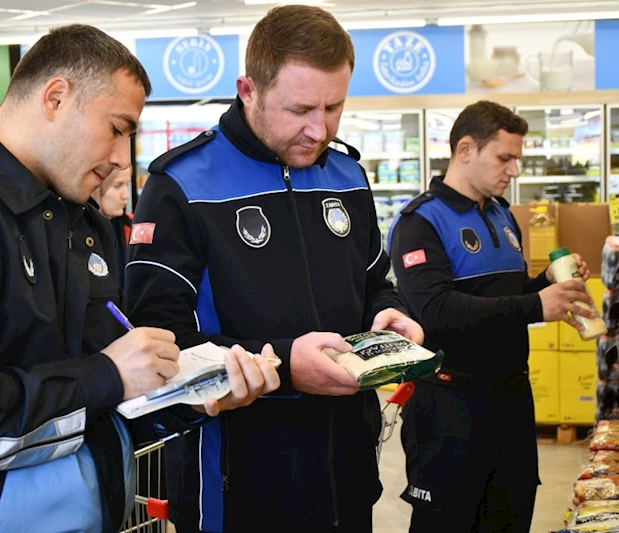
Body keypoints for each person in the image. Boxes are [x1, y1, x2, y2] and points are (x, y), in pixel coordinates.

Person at [0, 24, 280, 533]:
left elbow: (98, 404)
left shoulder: (80, 221)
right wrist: (109, 374)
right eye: (116, 128)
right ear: (56, 97)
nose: (122, 158)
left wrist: (189, 396)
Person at [125, 6, 423, 532]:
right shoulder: (181, 186)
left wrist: (390, 313)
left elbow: (375, 279)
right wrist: (285, 366)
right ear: (248, 89)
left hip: (348, 471)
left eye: (334, 107)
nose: (319, 129)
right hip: (237, 485)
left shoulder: (346, 174)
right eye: (301, 108)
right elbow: (158, 344)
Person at [388, 100, 594, 532]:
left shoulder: (503, 216)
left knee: (511, 516)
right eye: (505, 157)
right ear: (465, 149)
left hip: (513, 404)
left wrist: (548, 284)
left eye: (517, 158)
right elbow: (436, 311)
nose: (514, 170)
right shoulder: (420, 222)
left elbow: (508, 301)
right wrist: (538, 304)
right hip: (450, 410)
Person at [92, 166, 134, 284]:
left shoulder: (133, 226)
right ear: (97, 187)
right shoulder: (78, 232)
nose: (126, 195)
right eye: (117, 185)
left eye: (127, 185)